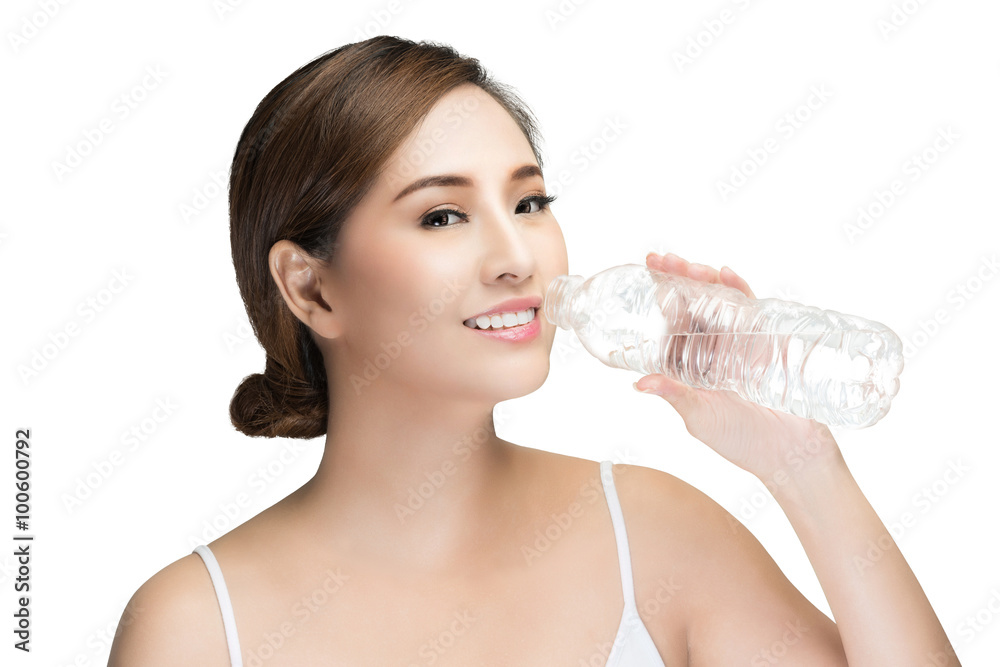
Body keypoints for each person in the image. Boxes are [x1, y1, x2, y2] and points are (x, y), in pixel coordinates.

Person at [108, 35, 959, 666]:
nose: (517, 256)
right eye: (443, 215)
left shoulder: (655, 536)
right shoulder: (194, 626)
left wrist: (804, 466)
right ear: (311, 288)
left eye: (529, 203)